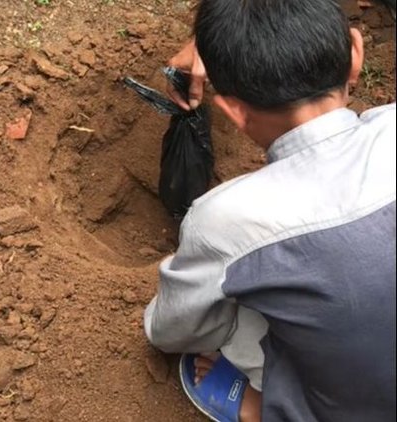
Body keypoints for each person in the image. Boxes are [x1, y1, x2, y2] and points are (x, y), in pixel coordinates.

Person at [144, 0, 396, 421]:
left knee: (238, 314)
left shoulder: (226, 219)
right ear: (355, 52)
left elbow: (171, 330)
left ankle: (279, 408)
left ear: (233, 111)